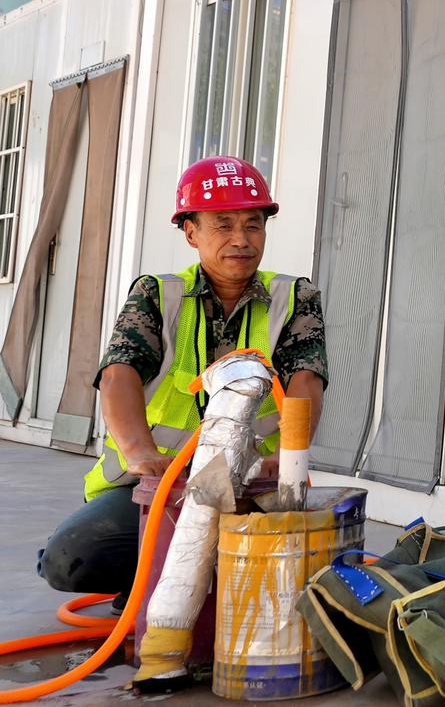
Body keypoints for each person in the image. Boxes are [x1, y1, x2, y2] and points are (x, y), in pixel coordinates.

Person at [38, 156, 328, 607]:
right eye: (223, 225)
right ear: (191, 232)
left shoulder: (294, 297)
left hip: (250, 486)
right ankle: (149, 582)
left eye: (253, 225)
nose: (241, 239)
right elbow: (119, 375)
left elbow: (305, 381)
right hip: (162, 486)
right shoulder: (157, 294)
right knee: (70, 559)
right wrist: (140, 453)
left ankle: (193, 589)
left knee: (293, 570)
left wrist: (288, 458)